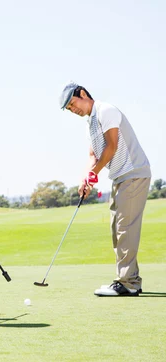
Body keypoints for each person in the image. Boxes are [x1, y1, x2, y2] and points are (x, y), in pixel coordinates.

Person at [59, 82, 151, 296]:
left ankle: (128, 283)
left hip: (134, 173)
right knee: (117, 230)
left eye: (73, 104)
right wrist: (86, 179)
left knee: (124, 228)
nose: (73, 110)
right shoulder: (89, 122)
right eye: (70, 109)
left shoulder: (105, 110)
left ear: (83, 94)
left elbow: (112, 146)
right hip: (120, 177)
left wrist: (94, 174)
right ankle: (130, 279)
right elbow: (93, 156)